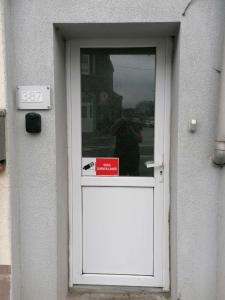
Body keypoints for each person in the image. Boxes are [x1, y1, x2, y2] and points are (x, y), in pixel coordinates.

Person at [111, 110, 142, 176]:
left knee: (134, 175)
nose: (128, 117)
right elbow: (112, 132)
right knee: (120, 176)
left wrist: (131, 129)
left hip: (132, 155)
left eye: (130, 115)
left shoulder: (134, 124)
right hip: (120, 154)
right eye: (126, 115)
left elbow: (140, 139)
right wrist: (121, 121)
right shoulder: (119, 123)